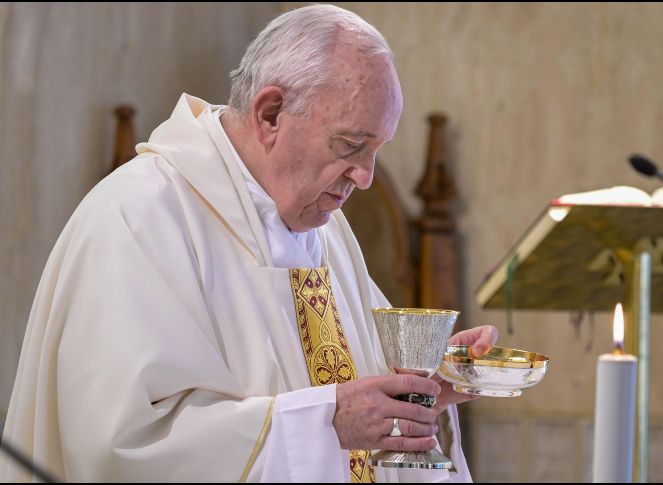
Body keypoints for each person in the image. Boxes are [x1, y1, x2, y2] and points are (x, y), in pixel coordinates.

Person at [0, 4, 498, 482]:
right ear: (271, 112)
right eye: (351, 146)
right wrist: (328, 422)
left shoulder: (326, 232)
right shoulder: (139, 219)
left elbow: (357, 389)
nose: (365, 177)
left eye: (375, 151)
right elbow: (123, 451)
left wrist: (419, 389)